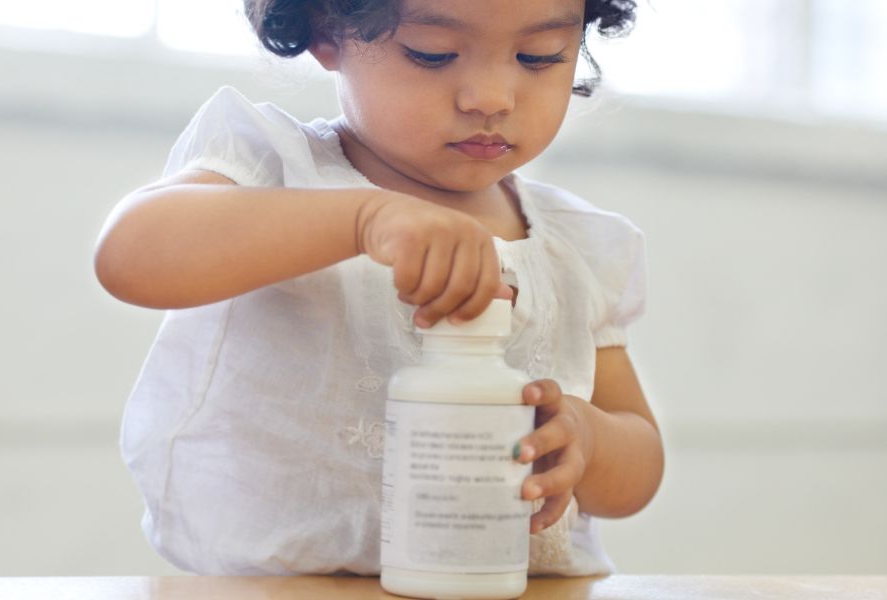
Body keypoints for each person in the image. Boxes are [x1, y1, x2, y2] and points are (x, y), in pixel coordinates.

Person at [94, 0, 664, 577]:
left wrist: (588, 440)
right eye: (433, 54)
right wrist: (363, 219)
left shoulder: (577, 246)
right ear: (326, 32)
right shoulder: (281, 171)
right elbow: (129, 255)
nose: (491, 97)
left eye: (538, 57)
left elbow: (637, 471)